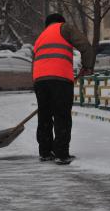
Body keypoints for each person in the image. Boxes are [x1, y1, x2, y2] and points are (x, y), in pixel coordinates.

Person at [32, 13, 93, 165]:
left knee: (44, 116)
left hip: (39, 80)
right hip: (60, 78)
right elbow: (85, 46)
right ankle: (61, 154)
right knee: (61, 115)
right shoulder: (64, 28)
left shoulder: (41, 36)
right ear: (60, 21)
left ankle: (45, 152)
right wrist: (88, 66)